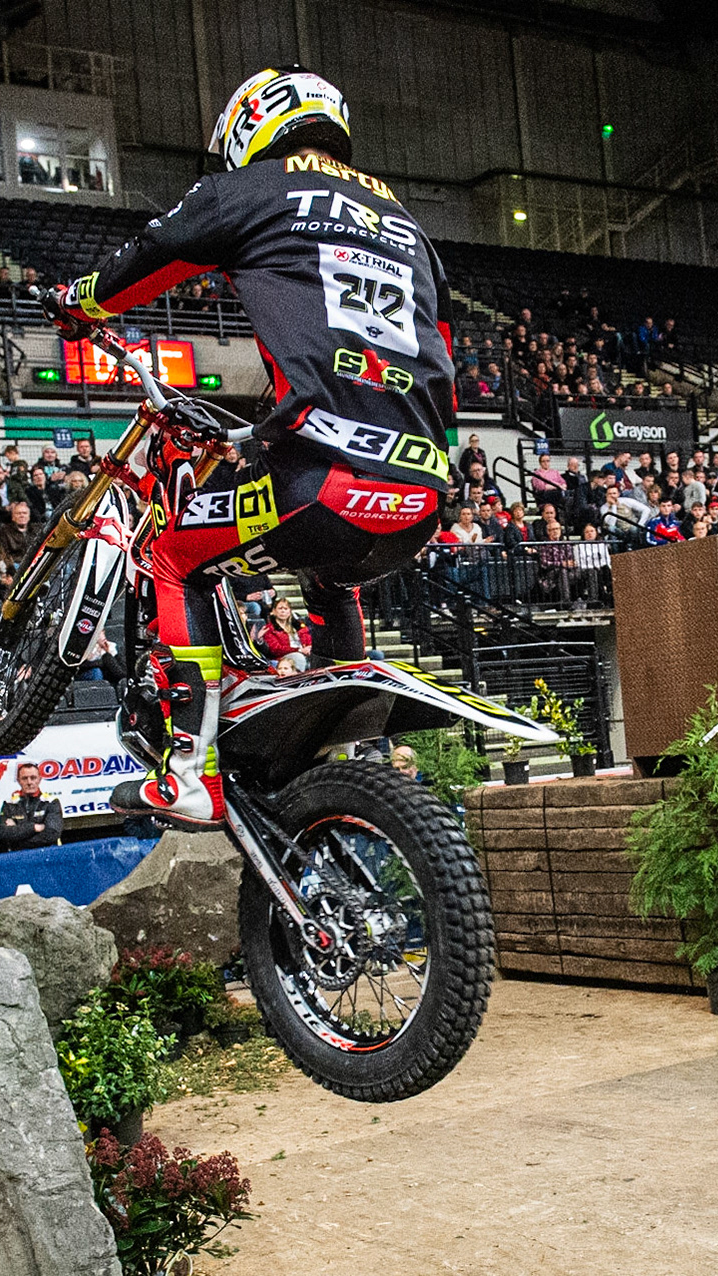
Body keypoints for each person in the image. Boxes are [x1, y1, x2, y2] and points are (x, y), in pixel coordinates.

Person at [42, 67, 454, 827]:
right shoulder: (410, 227)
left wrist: (78, 303)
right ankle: (343, 761)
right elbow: (432, 351)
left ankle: (189, 772)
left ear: (251, 122)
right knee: (331, 576)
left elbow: (150, 256)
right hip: (422, 496)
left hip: (323, 484)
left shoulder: (255, 188)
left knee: (171, 555)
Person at [0, 761, 64, 848]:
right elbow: (3, 833)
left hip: (47, 853)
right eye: (24, 778)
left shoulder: (51, 802)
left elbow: (52, 834)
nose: (29, 782)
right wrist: (34, 827)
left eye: (33, 778)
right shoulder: (9, 804)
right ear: (18, 781)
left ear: (39, 779)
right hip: (18, 856)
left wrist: (20, 838)